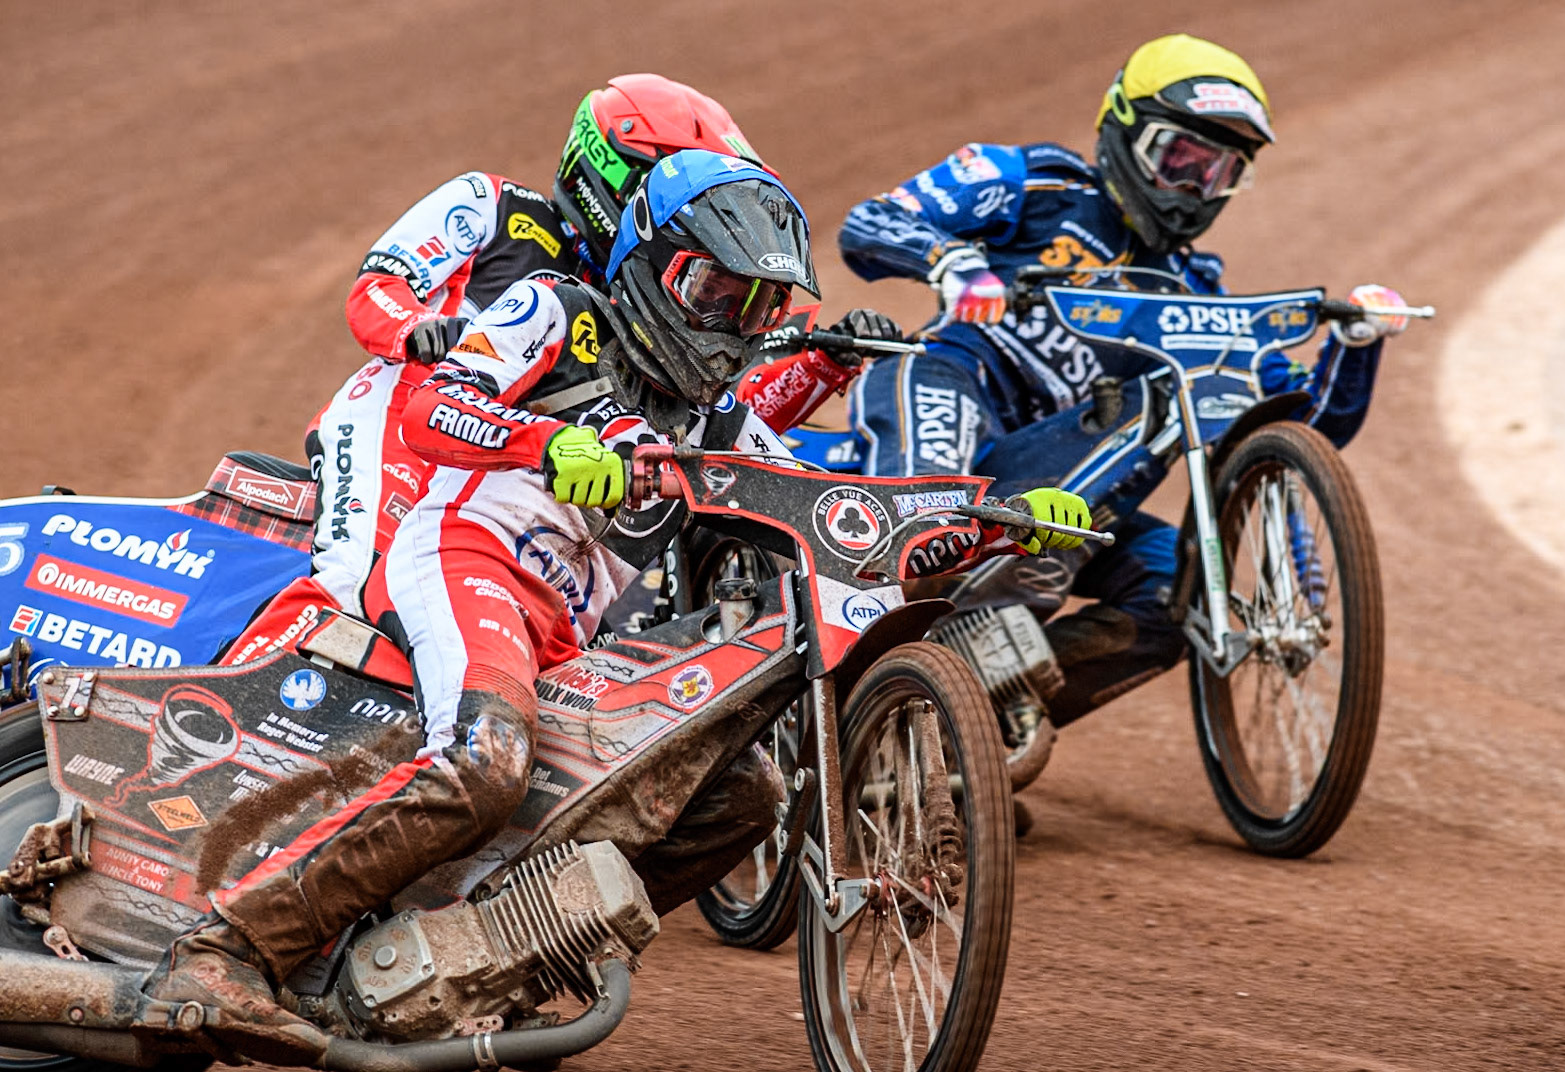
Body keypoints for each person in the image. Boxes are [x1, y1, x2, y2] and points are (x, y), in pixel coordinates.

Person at [146, 149, 1092, 1063]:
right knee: (486, 763)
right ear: (645, 261)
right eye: (714, 291)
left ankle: (493, 965)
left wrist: (990, 515)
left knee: (738, 798)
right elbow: (437, 401)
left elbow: (824, 503)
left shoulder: (717, 418)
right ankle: (226, 949)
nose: (731, 322)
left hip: (560, 629)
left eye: (757, 305)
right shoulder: (557, 310)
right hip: (460, 557)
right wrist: (543, 445)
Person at [837, 33, 1415, 726]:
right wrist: (950, 262)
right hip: (951, 386)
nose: (1196, 191)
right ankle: (833, 689)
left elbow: (1297, 430)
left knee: (1185, 587)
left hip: (1061, 487)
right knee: (921, 523)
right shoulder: (1032, 181)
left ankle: (967, 734)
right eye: (1180, 161)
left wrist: (1357, 345)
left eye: (1218, 172)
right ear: (1126, 133)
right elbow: (870, 222)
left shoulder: (1195, 292)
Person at [223, 74, 878, 664]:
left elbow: (715, 429)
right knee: (354, 577)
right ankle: (226, 685)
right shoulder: (495, 206)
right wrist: (419, 331)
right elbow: (377, 286)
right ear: (607, 165)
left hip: (529, 474)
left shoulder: (654, 300)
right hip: (407, 410)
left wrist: (820, 366)